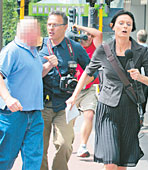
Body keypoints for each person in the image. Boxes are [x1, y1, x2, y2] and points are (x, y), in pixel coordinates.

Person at [66, 10, 148, 170]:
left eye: (128, 24)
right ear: (113, 26)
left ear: (132, 29)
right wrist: (74, 96)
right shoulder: (104, 50)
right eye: (121, 23)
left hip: (130, 111)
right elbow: (88, 73)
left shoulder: (141, 52)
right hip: (107, 110)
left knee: (122, 165)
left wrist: (142, 78)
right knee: (111, 162)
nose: (125, 26)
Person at [39, 11, 96, 170]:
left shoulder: (75, 48)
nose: (51, 28)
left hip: (65, 105)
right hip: (41, 104)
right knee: (39, 148)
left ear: (65, 27)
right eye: (49, 24)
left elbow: (92, 70)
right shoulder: (39, 46)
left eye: (55, 25)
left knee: (64, 144)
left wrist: (80, 86)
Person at [0, 17, 49, 170]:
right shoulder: (11, 50)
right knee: (5, 158)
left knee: (33, 158)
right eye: (37, 30)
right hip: (13, 115)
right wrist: (8, 98)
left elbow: (35, 74)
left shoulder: (33, 52)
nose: (40, 34)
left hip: (34, 114)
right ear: (27, 32)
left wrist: (49, 66)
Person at [72, 24, 103, 157]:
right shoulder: (73, 48)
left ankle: (83, 146)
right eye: (84, 35)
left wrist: (80, 27)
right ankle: (68, 142)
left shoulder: (95, 49)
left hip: (89, 88)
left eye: (90, 35)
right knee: (69, 120)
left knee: (89, 115)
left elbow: (99, 34)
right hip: (72, 89)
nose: (87, 37)